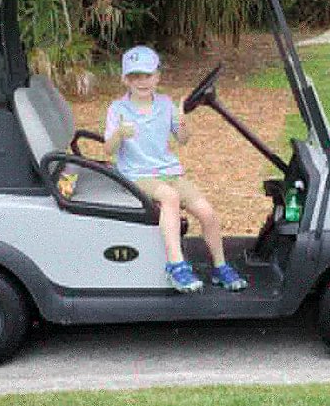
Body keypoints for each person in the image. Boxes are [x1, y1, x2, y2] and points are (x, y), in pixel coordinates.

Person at [104, 45, 248, 294]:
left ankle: (220, 266)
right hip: (137, 175)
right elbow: (108, 149)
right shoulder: (118, 109)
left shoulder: (165, 104)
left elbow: (182, 139)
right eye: (135, 77)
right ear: (125, 80)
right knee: (169, 198)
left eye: (147, 76)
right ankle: (176, 264)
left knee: (207, 212)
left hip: (169, 172)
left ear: (157, 77)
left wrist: (182, 121)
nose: (142, 82)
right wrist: (119, 134)